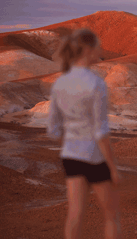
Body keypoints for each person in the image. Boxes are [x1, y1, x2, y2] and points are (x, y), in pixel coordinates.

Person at [47, 29, 122, 239]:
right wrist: (113, 167)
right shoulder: (96, 83)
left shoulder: (60, 82)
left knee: (75, 214)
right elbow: (101, 131)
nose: (100, 50)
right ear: (88, 50)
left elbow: (53, 128)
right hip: (94, 157)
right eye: (98, 46)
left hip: (70, 155)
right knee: (111, 215)